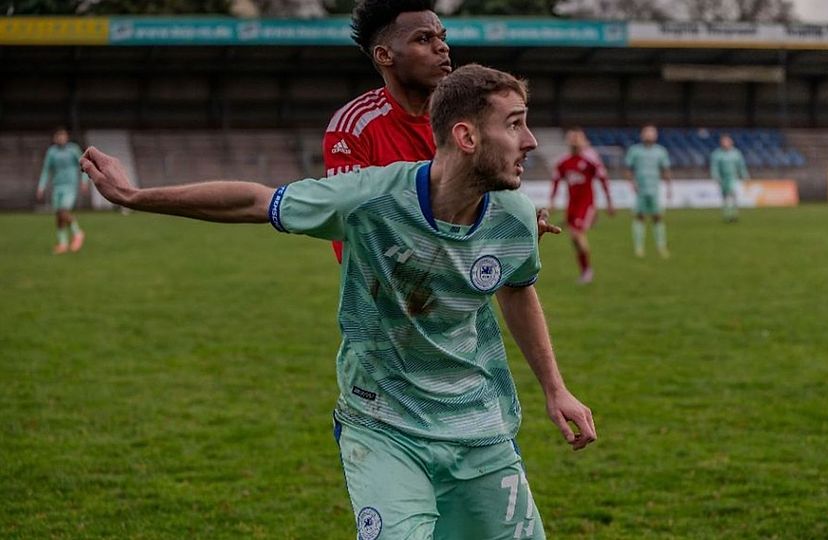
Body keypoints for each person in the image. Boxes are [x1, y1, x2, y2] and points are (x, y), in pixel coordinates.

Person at [81, 64, 596, 540]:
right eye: (516, 125)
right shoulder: (367, 197)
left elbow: (517, 288)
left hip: (480, 428)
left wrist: (556, 389)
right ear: (466, 136)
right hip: (383, 425)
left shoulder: (514, 217)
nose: (530, 142)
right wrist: (135, 196)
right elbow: (257, 201)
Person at [324, 0, 557, 262]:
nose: (442, 47)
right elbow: (349, 226)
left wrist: (513, 227)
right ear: (384, 55)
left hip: (461, 295)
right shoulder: (353, 127)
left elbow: (483, 207)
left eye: (442, 37)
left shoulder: (465, 121)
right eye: (423, 39)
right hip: (386, 296)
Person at [548, 127, 613, 284]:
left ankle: (587, 271)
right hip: (572, 205)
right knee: (574, 239)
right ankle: (585, 270)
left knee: (577, 235)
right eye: (572, 139)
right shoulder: (563, 162)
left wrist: (609, 202)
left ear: (584, 141)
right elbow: (556, 182)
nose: (575, 142)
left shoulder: (591, 160)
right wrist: (552, 201)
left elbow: (603, 180)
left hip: (587, 204)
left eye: (578, 139)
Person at [36, 127, 89, 254]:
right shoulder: (51, 152)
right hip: (57, 186)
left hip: (70, 186)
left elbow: (84, 164)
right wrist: (41, 186)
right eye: (58, 136)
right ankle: (63, 244)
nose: (61, 138)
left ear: (67, 137)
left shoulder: (73, 149)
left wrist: (84, 180)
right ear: (55, 138)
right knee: (59, 216)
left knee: (63, 211)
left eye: (63, 136)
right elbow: (46, 170)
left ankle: (78, 233)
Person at [624, 124, 672, 258]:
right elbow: (628, 169)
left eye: (652, 133)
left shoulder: (661, 151)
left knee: (658, 217)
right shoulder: (634, 151)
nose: (649, 135)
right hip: (640, 189)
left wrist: (669, 187)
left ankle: (661, 247)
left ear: (656, 135)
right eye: (647, 132)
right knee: (639, 217)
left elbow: (666, 170)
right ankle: (639, 248)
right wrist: (632, 183)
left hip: (654, 189)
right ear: (642, 135)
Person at [710, 133, 749, 223]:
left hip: (732, 177)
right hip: (723, 178)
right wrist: (716, 177)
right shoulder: (717, 154)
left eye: (727, 141)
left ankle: (734, 214)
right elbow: (714, 167)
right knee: (725, 197)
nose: (725, 143)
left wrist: (744, 175)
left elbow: (741, 166)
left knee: (732, 194)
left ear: (731, 142)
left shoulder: (736, 153)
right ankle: (727, 214)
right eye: (723, 141)